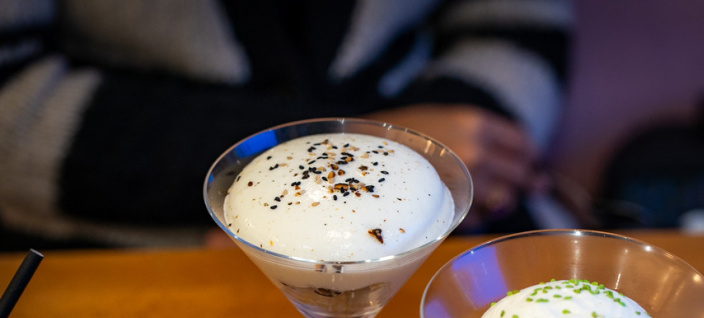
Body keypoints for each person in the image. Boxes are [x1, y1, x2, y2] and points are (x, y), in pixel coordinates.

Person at [0, 0, 575, 250]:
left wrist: (450, 141)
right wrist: (367, 145)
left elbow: (518, 22)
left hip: (439, 201)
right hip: (133, 231)